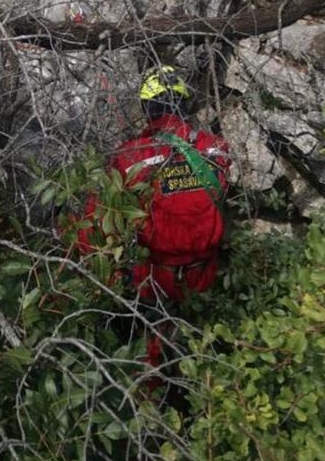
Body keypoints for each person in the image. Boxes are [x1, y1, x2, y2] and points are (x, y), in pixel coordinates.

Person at [78, 66, 231, 304]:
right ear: (184, 104)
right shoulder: (216, 149)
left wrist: (110, 280)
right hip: (206, 276)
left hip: (155, 281)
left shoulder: (129, 155)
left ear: (147, 108)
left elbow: (96, 219)